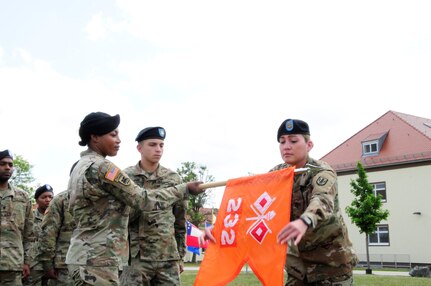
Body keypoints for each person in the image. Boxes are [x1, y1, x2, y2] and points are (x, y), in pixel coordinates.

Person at [66, 112, 204, 286]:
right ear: (94, 137)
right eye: (113, 134)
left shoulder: (81, 165)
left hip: (84, 254)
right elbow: (142, 199)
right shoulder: (103, 167)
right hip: (98, 259)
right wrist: (184, 188)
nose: (118, 140)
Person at [273, 119, 358, 286]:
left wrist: (305, 220)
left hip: (331, 267)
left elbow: (322, 199)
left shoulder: (322, 172)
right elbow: (252, 191)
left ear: (309, 145)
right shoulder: (277, 174)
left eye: (293, 140)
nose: (286, 146)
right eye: (282, 142)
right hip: (298, 268)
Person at [120, 126, 187, 286]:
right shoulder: (126, 177)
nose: (158, 149)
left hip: (167, 257)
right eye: (152, 145)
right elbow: (119, 217)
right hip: (136, 258)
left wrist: (180, 256)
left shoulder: (173, 179)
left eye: (161, 145)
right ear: (139, 148)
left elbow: (180, 221)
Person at [0, 149, 35, 286]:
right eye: (3, 164)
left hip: (13, 264)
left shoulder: (23, 197)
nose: (7, 167)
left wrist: (27, 261)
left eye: (10, 164)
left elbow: (29, 233)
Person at [36, 189, 76, 286]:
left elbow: (48, 232)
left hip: (103, 261)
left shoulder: (61, 198)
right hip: (67, 262)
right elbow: (48, 232)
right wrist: (48, 264)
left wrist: (47, 263)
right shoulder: (61, 199)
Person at [24, 185, 54, 286]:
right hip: (34, 264)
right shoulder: (29, 217)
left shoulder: (58, 217)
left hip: (52, 264)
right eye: (44, 197)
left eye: (50, 197)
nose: (48, 200)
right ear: (36, 200)